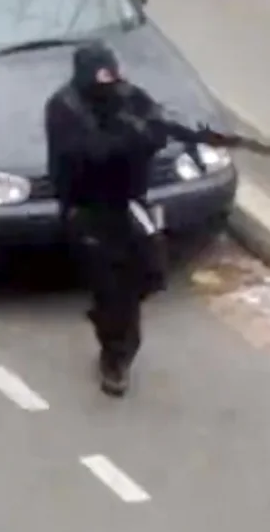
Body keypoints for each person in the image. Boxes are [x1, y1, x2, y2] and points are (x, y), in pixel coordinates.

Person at [44, 41, 233, 396]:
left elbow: (157, 117)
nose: (109, 90)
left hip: (129, 203)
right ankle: (115, 356)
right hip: (88, 209)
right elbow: (91, 154)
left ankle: (109, 317)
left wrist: (180, 132)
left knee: (151, 271)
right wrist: (139, 139)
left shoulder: (128, 96)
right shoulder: (64, 109)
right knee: (112, 287)